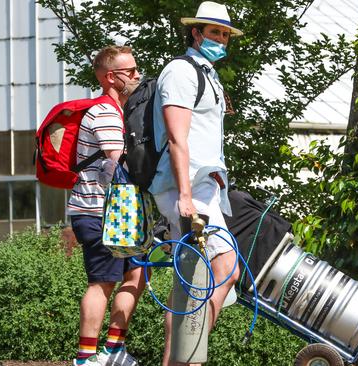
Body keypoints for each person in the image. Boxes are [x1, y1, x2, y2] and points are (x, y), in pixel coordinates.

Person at [148, 2, 243, 365]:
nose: (220, 39)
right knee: (222, 269)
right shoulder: (181, 71)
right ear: (196, 33)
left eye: (224, 34)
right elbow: (176, 138)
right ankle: (189, 357)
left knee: (194, 280)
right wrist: (185, 196)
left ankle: (181, 357)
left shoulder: (207, 74)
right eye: (214, 32)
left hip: (204, 189)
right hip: (183, 189)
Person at [68, 45, 143, 366]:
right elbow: (118, 163)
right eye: (131, 71)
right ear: (111, 78)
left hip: (119, 212)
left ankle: (114, 351)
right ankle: (85, 359)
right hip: (99, 211)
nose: (137, 75)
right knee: (102, 282)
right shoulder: (105, 113)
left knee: (137, 274)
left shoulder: (119, 112)